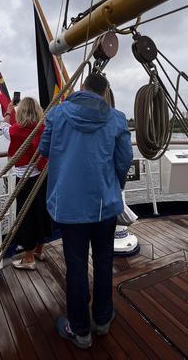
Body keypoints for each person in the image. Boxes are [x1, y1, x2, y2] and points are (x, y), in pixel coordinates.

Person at [39, 73, 133, 349]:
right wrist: (114, 186)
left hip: (69, 208)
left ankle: (80, 331)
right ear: (105, 92)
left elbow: (44, 149)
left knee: (76, 267)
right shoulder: (116, 118)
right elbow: (124, 161)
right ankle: (102, 321)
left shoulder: (58, 114)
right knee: (104, 261)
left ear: (81, 88)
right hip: (105, 207)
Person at [2, 97, 52, 270]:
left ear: (21, 112)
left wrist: (9, 111)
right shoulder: (43, 129)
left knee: (25, 215)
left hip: (24, 179)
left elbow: (4, 128)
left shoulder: (16, 131)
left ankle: (29, 258)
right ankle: (40, 250)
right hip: (42, 176)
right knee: (41, 212)